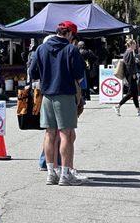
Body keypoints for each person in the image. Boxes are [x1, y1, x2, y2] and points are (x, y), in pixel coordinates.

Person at [29, 21, 86, 186]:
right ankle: (65, 174)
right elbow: (79, 76)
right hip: (65, 95)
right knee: (65, 134)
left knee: (49, 134)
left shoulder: (41, 48)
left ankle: (50, 173)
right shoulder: (71, 49)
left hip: (47, 96)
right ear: (68, 34)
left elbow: (32, 72)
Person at [114, 39, 140, 117]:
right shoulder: (129, 53)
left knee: (135, 92)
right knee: (131, 92)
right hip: (130, 75)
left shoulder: (128, 52)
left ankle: (139, 110)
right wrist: (133, 74)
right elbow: (129, 65)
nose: (136, 46)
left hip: (130, 75)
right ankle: (118, 106)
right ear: (131, 44)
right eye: (135, 44)